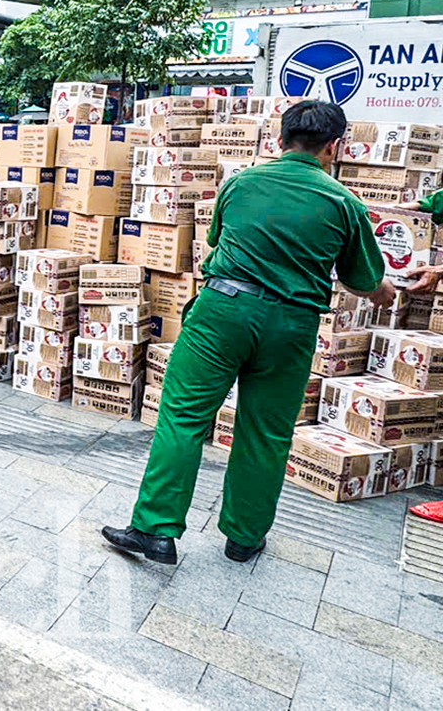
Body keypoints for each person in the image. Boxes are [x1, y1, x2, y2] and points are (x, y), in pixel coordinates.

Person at [102, 100, 395, 566]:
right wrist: (388, 292)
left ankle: (155, 531)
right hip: (292, 325)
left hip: (222, 312)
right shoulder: (345, 203)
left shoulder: (241, 183)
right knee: (266, 431)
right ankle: (244, 538)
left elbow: (219, 239)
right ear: (335, 147)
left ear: (280, 141)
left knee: (183, 417)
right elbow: (364, 281)